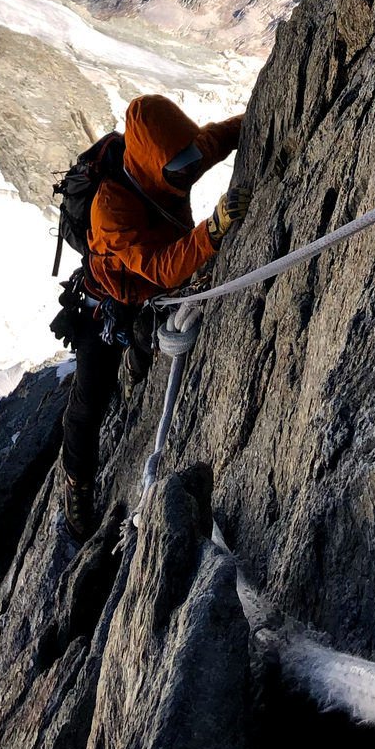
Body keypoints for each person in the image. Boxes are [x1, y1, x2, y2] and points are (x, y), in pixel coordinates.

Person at [60, 94, 251, 541]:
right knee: (88, 404)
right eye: (178, 165)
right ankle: (77, 488)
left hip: (152, 295)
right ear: (151, 162)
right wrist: (214, 230)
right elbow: (161, 267)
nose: (188, 169)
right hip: (106, 302)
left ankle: (137, 359)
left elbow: (216, 140)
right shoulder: (111, 208)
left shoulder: (170, 159)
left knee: (142, 353)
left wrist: (261, 109)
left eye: (188, 159)